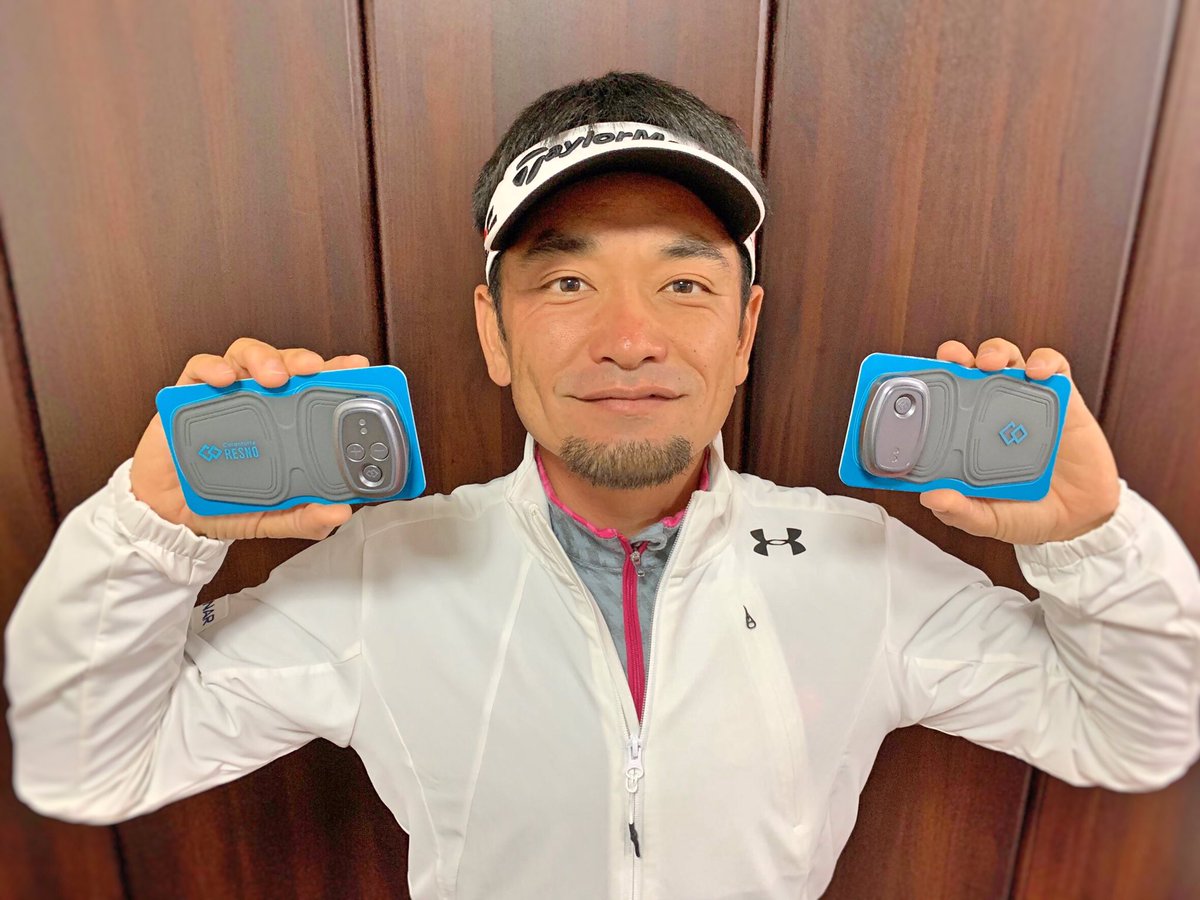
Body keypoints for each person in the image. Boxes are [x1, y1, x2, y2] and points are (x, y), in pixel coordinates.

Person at [5, 71, 1199, 900]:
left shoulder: (857, 565)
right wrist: (152, 525)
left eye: (684, 284)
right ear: (493, 330)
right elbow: (84, 761)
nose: (630, 339)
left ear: (745, 331)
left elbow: (1139, 733)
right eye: (566, 283)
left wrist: (1092, 538)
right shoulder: (383, 576)